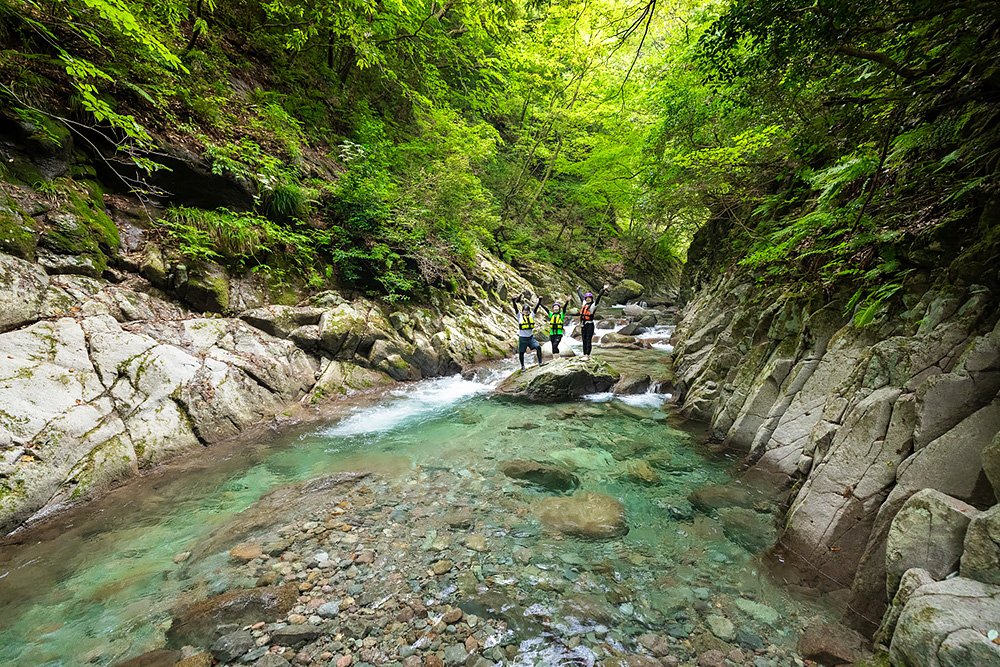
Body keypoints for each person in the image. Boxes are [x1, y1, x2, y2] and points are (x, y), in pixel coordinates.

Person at [571, 284, 609, 358]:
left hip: (590, 325)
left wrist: (603, 289)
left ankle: (587, 355)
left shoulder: (593, 305)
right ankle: (584, 353)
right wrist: (578, 289)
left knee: (588, 339)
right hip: (583, 324)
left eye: (589, 298)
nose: (588, 299)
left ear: (591, 299)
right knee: (584, 339)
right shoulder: (584, 303)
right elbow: (581, 296)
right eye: (587, 298)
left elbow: (598, 297)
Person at [512, 295, 544, 370]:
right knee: (521, 352)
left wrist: (539, 301)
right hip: (523, 338)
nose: (526, 311)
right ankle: (522, 366)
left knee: (538, 347)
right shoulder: (519, 316)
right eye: (524, 310)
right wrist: (513, 301)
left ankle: (540, 362)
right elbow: (515, 308)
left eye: (527, 310)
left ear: (529, 311)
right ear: (522, 311)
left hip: (530, 338)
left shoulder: (531, 315)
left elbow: (536, 308)